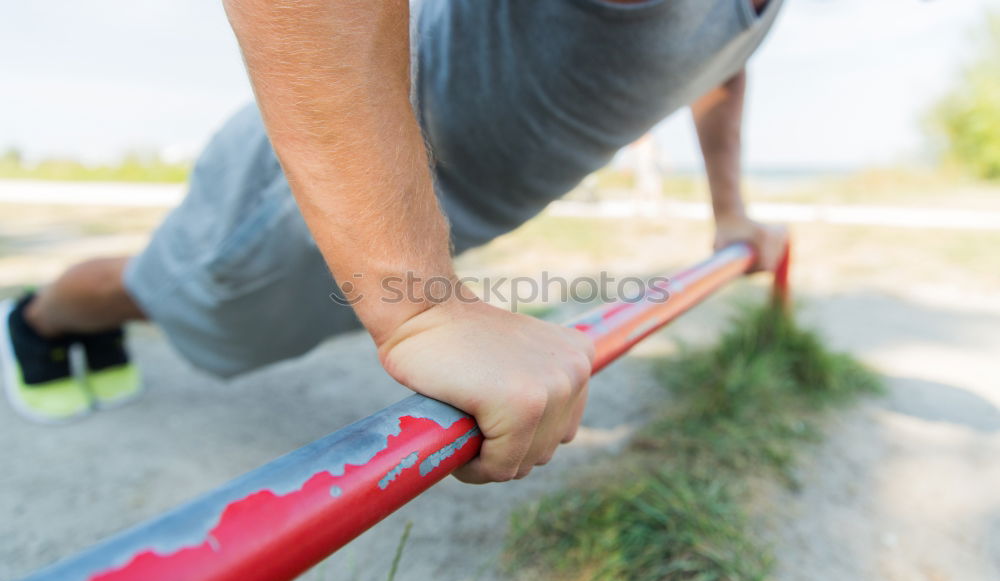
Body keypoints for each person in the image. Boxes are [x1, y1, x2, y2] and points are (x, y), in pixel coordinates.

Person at [0, 0, 787, 484]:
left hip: (440, 217)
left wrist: (730, 211)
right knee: (177, 292)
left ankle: (90, 330)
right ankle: (39, 322)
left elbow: (722, 63)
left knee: (267, 322)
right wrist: (425, 307)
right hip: (348, 169)